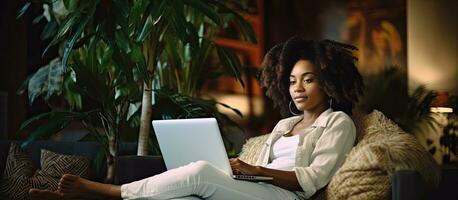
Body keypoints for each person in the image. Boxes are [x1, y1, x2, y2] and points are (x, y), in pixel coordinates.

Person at [29, 37, 364, 200]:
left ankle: (108, 192)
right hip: (259, 191)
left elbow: (314, 178)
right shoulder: (284, 126)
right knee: (189, 194)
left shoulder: (338, 123)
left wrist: (255, 170)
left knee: (202, 173)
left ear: (329, 81)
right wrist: (240, 172)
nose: (297, 88)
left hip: (288, 199)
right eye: (291, 81)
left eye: (308, 79)